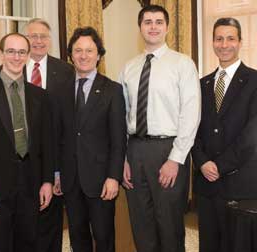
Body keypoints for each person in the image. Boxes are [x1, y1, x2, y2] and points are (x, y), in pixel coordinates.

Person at [119, 5, 201, 252]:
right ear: (140, 27)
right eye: (147, 22)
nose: (152, 26)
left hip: (169, 150)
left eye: (158, 22)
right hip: (135, 150)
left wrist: (176, 159)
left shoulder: (182, 64)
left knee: (169, 224)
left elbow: (191, 113)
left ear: (166, 27)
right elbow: (123, 115)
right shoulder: (129, 67)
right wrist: (124, 158)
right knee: (141, 223)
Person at [0, 32, 53, 252]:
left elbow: (46, 142)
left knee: (29, 243)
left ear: (28, 55)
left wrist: (47, 181)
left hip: (31, 183)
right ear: (2, 54)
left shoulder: (41, 96)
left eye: (22, 52)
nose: (17, 57)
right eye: (11, 51)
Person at [56, 26, 127, 252]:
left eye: (89, 50)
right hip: (70, 178)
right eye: (78, 50)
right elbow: (57, 137)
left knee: (104, 237)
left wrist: (113, 177)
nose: (83, 56)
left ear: (98, 54)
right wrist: (57, 173)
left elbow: (118, 140)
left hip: (101, 180)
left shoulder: (113, 90)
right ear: (71, 55)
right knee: (77, 237)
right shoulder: (60, 90)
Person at [191, 17, 257, 252]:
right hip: (206, 184)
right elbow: (191, 128)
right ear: (212, 42)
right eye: (219, 38)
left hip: (240, 182)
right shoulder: (201, 84)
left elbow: (252, 134)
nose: (224, 44)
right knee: (209, 244)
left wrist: (220, 165)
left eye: (230, 38)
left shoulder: (254, 81)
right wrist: (201, 162)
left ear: (240, 42)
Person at [24, 18, 74, 252]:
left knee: (51, 223)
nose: (38, 41)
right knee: (23, 224)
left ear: (50, 40)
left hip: (55, 158)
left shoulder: (66, 71)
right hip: (21, 161)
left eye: (43, 36)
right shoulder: (10, 67)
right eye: (33, 36)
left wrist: (59, 169)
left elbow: (70, 121)